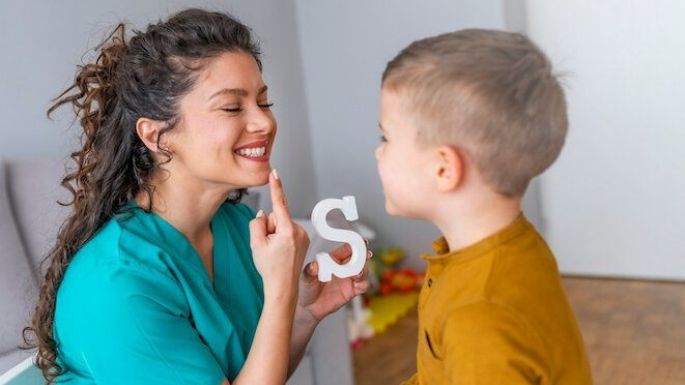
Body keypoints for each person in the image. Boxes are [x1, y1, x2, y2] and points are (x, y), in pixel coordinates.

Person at [24, 8, 370, 385]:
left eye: (264, 102)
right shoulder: (118, 284)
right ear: (157, 136)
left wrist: (304, 312)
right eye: (232, 107)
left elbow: (252, 375)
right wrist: (280, 290)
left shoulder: (237, 227)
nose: (264, 122)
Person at [375, 29, 593, 384]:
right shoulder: (511, 245)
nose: (378, 151)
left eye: (385, 137)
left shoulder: (480, 316)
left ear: (444, 168)